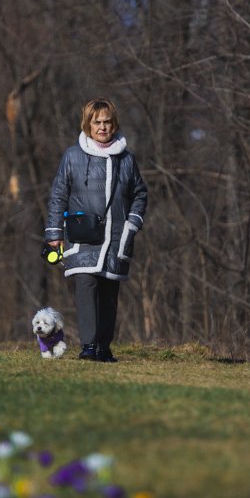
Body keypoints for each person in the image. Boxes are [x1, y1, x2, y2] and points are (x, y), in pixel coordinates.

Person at [45, 98, 147, 362]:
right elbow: (58, 194)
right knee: (86, 285)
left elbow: (140, 193)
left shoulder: (127, 159)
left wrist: (132, 223)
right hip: (82, 236)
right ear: (87, 124)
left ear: (114, 124)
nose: (102, 127)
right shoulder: (72, 156)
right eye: (97, 122)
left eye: (107, 122)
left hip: (116, 238)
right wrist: (54, 233)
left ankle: (103, 346)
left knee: (109, 292)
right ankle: (88, 345)